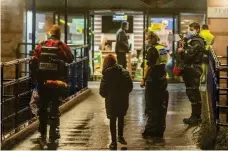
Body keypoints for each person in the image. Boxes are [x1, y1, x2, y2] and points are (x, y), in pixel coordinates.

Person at [31, 24, 74, 145]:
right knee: (54, 106)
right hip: (57, 82)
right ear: (59, 34)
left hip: (43, 82)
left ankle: (42, 133)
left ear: (50, 33)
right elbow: (70, 58)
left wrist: (36, 78)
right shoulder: (61, 45)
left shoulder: (42, 44)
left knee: (43, 106)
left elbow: (34, 59)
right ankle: (53, 132)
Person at [99, 54, 133, 149]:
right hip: (123, 99)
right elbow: (130, 87)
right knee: (121, 116)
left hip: (111, 101)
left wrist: (107, 95)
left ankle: (113, 142)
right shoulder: (125, 72)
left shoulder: (106, 74)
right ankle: (120, 136)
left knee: (113, 120)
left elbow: (102, 91)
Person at [140, 31, 169, 138]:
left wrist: (144, 79)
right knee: (161, 103)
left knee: (151, 104)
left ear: (151, 39)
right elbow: (166, 61)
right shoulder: (162, 48)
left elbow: (149, 66)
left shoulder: (152, 50)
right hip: (162, 77)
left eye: (147, 38)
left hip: (153, 78)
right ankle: (160, 128)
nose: (146, 40)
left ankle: (151, 130)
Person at [178, 22, 205, 125]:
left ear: (197, 29)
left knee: (193, 92)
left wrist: (182, 51)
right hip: (190, 70)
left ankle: (196, 117)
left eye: (191, 29)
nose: (189, 31)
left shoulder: (197, 41)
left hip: (193, 69)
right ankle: (195, 116)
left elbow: (189, 55)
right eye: (189, 29)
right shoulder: (193, 41)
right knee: (191, 92)